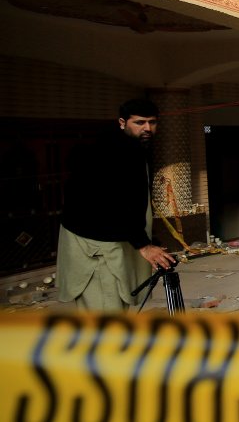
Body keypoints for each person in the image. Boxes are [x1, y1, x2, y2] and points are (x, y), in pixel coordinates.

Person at [57, 99, 176, 311]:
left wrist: (147, 239)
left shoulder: (133, 147)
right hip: (94, 247)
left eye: (152, 122)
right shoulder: (110, 149)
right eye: (139, 123)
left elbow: (131, 201)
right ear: (122, 122)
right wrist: (144, 245)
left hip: (112, 242)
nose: (147, 128)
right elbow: (113, 202)